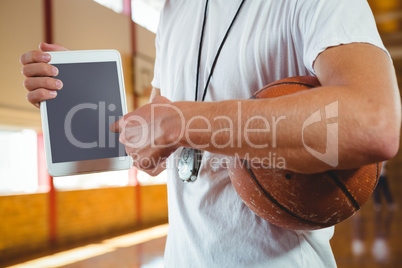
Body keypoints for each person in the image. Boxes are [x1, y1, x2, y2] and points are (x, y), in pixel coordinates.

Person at [20, 0, 401, 266]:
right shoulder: (173, 11)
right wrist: (80, 97)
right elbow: (152, 151)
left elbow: (373, 121)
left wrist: (179, 122)